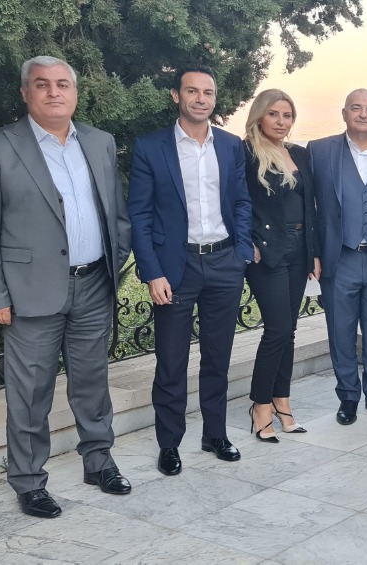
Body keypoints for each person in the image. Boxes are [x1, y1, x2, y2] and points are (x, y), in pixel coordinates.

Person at [0, 55, 133, 517]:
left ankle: (99, 462)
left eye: (62, 84)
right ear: (26, 93)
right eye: (42, 84)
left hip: (93, 285)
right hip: (28, 295)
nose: (54, 92)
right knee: (30, 394)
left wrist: (112, 268)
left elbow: (116, 214)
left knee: (92, 384)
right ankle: (28, 480)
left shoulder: (99, 142)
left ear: (74, 93)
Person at [128, 65, 253, 475]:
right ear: (175, 96)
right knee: (171, 362)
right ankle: (169, 444)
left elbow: (241, 202)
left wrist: (241, 251)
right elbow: (139, 215)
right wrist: (152, 273)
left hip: (223, 263)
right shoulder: (151, 147)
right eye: (192, 91)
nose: (201, 99)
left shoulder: (231, 146)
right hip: (174, 267)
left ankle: (215, 433)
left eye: (208, 92)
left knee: (218, 359)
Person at [309, 88, 367, 425]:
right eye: (356, 108)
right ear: (344, 113)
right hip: (339, 258)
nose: (364, 114)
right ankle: (348, 396)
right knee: (341, 332)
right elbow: (308, 206)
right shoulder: (319, 151)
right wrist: (313, 253)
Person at [242, 89, 321, 442]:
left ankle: (282, 400)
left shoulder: (299, 154)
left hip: (299, 249)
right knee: (276, 330)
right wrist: (248, 241)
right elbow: (234, 201)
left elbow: (310, 208)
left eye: (287, 115)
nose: (281, 121)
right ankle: (260, 405)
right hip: (267, 252)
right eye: (273, 114)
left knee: (289, 330)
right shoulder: (246, 153)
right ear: (259, 116)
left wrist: (314, 252)